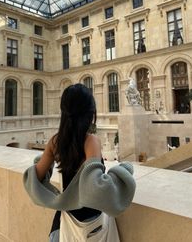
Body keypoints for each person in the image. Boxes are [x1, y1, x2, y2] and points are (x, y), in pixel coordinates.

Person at [23, 83, 136, 241]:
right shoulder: (91, 141)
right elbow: (96, 188)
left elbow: (35, 179)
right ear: (90, 112)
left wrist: (42, 161)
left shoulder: (55, 142)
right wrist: (124, 169)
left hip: (64, 226)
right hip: (91, 229)